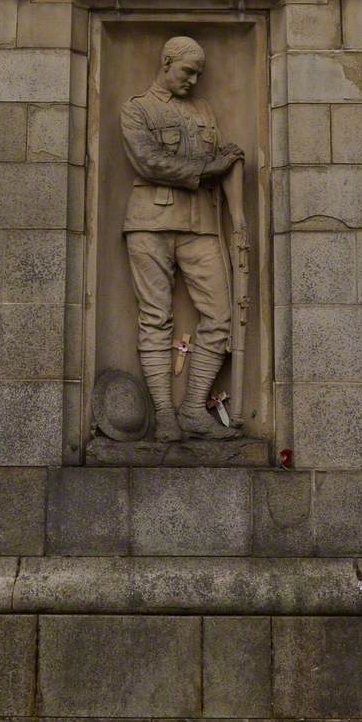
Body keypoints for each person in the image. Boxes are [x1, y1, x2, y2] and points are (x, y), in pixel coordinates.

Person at [120, 35, 245, 440]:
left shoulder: (205, 110)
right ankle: (164, 415)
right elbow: (150, 162)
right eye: (187, 71)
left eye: (198, 74)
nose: (193, 80)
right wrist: (211, 166)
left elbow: (226, 164)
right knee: (155, 318)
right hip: (149, 222)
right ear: (167, 61)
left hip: (202, 223)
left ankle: (193, 409)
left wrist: (238, 218)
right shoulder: (137, 109)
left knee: (221, 317)